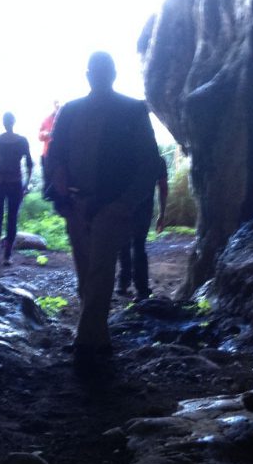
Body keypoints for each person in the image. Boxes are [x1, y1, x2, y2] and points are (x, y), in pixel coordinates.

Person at [48, 51, 162, 365]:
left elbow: (149, 162)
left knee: (99, 270)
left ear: (111, 74)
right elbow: (55, 153)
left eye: (102, 70)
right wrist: (58, 177)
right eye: (95, 71)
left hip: (111, 205)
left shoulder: (132, 110)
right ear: (88, 74)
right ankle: (99, 337)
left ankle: (85, 343)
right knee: (87, 273)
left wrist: (125, 203)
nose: (98, 75)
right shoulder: (70, 111)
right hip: (75, 202)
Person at [0, 112, 33, 268]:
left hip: (1, 182)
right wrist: (26, 184)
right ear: (14, 122)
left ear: (4, 122)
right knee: (11, 217)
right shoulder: (22, 141)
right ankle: (5, 254)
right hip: (14, 182)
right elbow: (29, 164)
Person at [117, 161, 169, 302]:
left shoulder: (126, 155)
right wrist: (162, 214)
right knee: (138, 246)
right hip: (143, 209)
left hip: (123, 205)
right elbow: (163, 187)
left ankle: (123, 281)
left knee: (123, 243)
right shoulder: (156, 160)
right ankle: (141, 289)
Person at [38, 100, 61, 197]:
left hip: (61, 155)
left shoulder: (66, 118)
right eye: (56, 104)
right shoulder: (47, 120)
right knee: (48, 179)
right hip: (47, 154)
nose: (57, 106)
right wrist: (46, 133)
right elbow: (40, 136)